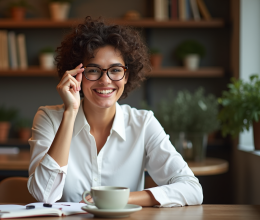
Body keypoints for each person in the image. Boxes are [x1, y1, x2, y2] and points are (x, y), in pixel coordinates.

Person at [28, 16, 203, 207]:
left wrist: (118, 199)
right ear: (76, 74)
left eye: (116, 70)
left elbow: (192, 189)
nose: (105, 81)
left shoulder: (143, 124)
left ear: (126, 76)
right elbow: (44, 195)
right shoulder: (49, 119)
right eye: (93, 70)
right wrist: (70, 112)